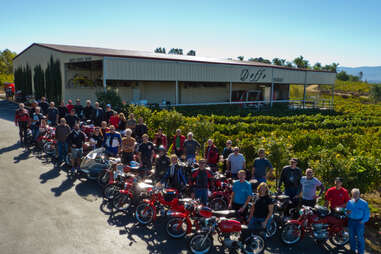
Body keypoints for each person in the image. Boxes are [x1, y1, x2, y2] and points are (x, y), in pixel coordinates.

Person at [346, 188, 370, 254]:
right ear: (352, 194)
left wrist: (363, 221)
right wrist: (346, 212)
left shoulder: (364, 203)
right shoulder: (349, 202)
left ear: (359, 194)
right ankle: (352, 250)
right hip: (351, 221)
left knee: (360, 238)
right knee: (351, 237)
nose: (355, 195)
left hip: (359, 222)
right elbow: (346, 211)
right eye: (354, 194)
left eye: (357, 193)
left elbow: (367, 214)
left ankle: (360, 252)